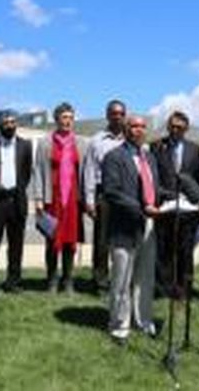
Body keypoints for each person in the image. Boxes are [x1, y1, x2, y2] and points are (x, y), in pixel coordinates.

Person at [102, 115, 161, 344]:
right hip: (124, 227)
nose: (139, 130)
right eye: (134, 126)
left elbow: (153, 189)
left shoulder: (149, 158)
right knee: (121, 280)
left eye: (142, 126)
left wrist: (172, 200)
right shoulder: (114, 157)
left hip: (148, 225)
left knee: (145, 278)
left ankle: (144, 320)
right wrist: (142, 208)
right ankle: (119, 326)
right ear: (126, 129)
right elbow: (112, 191)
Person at [33, 102, 87, 294]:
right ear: (56, 119)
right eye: (64, 117)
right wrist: (38, 198)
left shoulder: (81, 143)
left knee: (70, 242)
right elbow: (38, 171)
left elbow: (86, 173)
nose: (68, 121)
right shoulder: (45, 142)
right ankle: (52, 279)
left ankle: (68, 280)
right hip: (52, 198)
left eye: (71, 118)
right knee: (52, 240)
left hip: (73, 199)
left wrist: (87, 199)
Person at [150, 110, 199, 300]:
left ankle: (184, 289)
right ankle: (163, 288)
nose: (175, 130)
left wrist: (198, 203)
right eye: (172, 126)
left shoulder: (195, 149)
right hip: (165, 206)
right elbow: (153, 177)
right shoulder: (156, 147)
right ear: (168, 126)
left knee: (185, 250)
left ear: (186, 128)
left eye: (180, 127)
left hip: (188, 209)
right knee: (163, 249)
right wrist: (165, 195)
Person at [0, 109, 33, 294]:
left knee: (16, 244)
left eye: (13, 122)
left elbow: (26, 173)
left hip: (16, 200)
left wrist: (16, 189)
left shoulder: (25, 145)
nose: (10, 125)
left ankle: (13, 281)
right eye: (6, 122)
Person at [82, 99, 127, 292]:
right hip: (104, 194)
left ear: (124, 115)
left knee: (124, 240)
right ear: (107, 115)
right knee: (102, 241)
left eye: (120, 113)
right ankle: (100, 281)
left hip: (127, 195)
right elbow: (89, 171)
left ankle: (122, 280)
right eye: (113, 113)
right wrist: (90, 200)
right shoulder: (97, 140)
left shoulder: (130, 138)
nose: (117, 116)